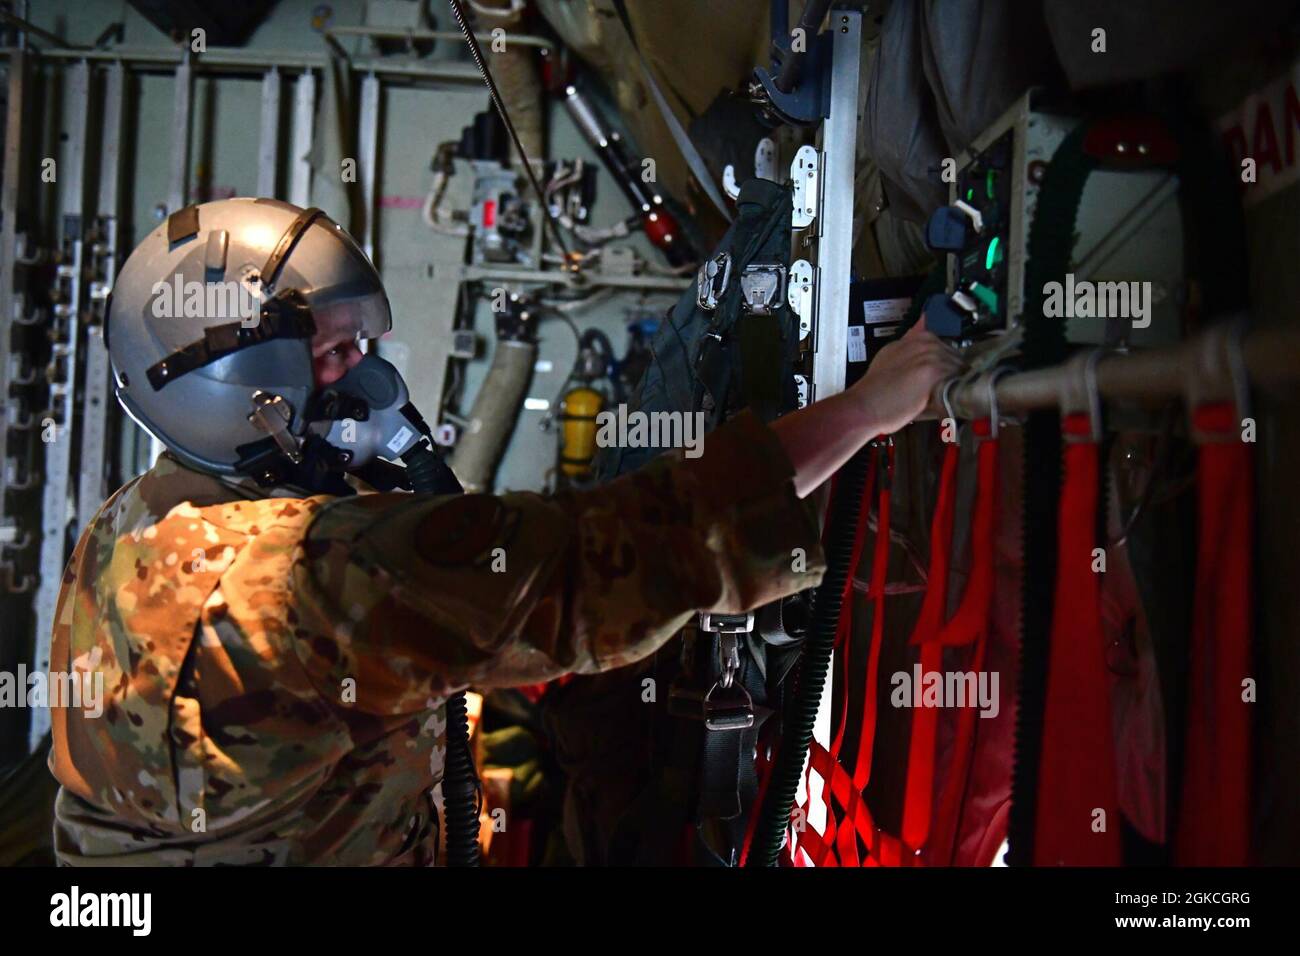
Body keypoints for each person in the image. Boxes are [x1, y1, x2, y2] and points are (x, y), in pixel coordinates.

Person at [47, 198, 961, 865]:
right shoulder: (295, 579)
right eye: (331, 354)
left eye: (358, 341)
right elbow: (612, 555)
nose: (366, 375)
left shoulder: (135, 527)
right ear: (242, 399)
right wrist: (872, 408)